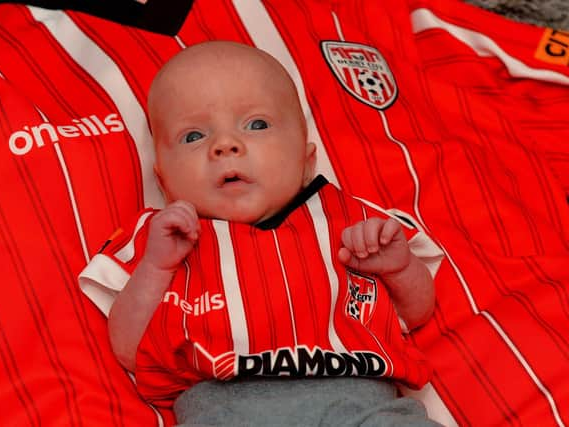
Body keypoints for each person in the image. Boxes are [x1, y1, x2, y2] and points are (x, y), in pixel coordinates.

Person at [103, 40, 442, 426]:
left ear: (306, 161)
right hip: (225, 412)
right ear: (163, 180)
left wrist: (398, 268)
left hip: (361, 404)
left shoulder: (351, 221)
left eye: (257, 124)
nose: (225, 145)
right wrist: (156, 268)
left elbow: (416, 313)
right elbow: (129, 350)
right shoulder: (163, 240)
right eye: (193, 136)